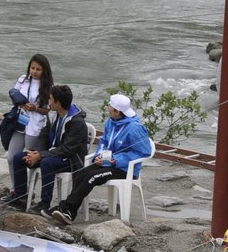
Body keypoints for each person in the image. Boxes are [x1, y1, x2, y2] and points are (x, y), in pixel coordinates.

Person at [49, 93, 152, 225]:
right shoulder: (111, 122)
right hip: (107, 163)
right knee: (81, 174)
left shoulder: (134, 128)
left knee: (92, 178)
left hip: (124, 169)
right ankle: (68, 209)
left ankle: (67, 209)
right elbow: (104, 142)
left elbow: (144, 152)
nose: (107, 107)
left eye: (110, 105)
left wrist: (117, 159)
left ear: (117, 111)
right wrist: (99, 156)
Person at [16, 85, 87, 214]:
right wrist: (36, 152)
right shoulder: (54, 115)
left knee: (47, 163)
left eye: (50, 99)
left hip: (70, 159)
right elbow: (43, 136)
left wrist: (41, 155)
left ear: (58, 103)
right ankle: (20, 197)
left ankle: (44, 205)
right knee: (18, 158)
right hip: (52, 153)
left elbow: (68, 149)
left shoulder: (77, 122)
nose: (48, 101)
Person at [3, 54, 54, 206]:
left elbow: (47, 110)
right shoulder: (23, 79)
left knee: (31, 160)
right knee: (11, 157)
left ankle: (28, 192)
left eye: (38, 69)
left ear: (44, 70)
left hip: (35, 125)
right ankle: (17, 190)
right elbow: (13, 93)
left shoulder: (47, 86)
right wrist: (21, 102)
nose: (34, 71)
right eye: (32, 68)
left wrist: (35, 108)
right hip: (19, 122)